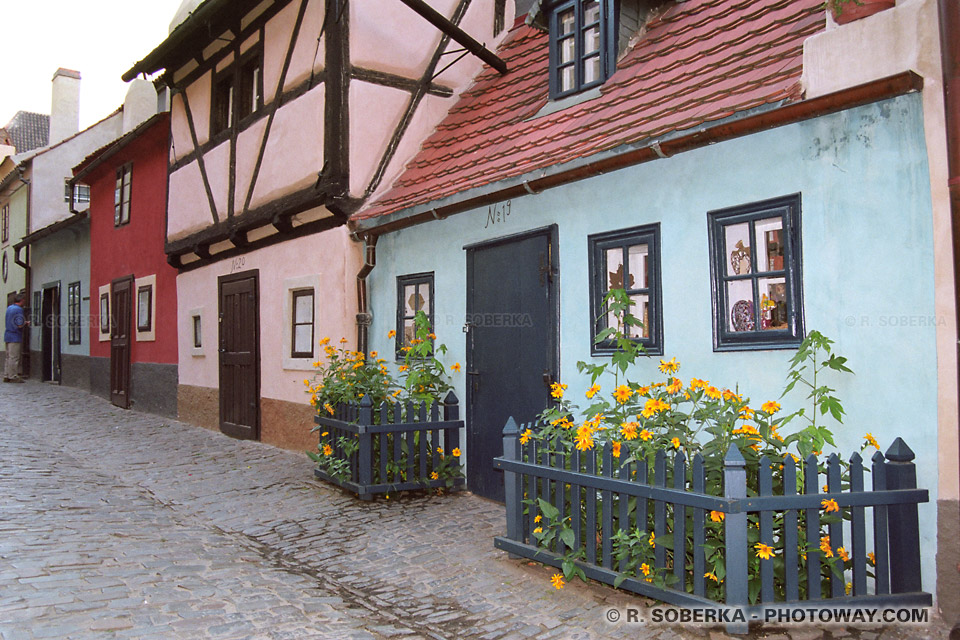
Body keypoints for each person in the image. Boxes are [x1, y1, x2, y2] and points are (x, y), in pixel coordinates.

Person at [4, 293, 29, 383]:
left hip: (7, 335)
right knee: (14, 357)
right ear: (21, 300)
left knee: (8, 357)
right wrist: (25, 323)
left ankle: (6, 374)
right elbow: (19, 324)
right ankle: (13, 376)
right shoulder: (19, 310)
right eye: (24, 300)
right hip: (15, 336)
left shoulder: (9, 308)